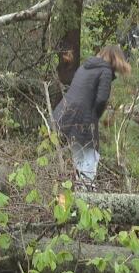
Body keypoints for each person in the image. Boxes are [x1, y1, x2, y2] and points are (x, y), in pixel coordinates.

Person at [52, 45, 131, 188]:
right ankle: (85, 199)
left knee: (77, 160)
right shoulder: (106, 71)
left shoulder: (84, 67)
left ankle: (73, 200)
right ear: (115, 59)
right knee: (90, 159)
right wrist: (95, 116)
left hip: (63, 114)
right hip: (83, 119)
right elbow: (101, 99)